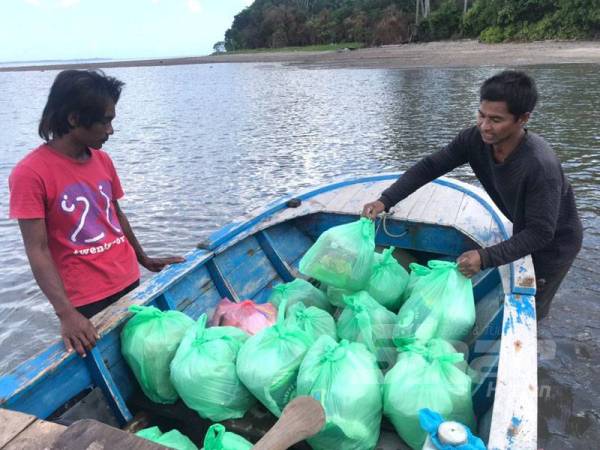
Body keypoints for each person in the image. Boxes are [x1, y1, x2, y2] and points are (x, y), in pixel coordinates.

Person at [362, 70, 582, 321]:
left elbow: (541, 233)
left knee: (533, 304)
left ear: (523, 119)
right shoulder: (475, 140)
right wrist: (386, 200)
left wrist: (485, 257)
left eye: (496, 120)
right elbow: (431, 166)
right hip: (527, 226)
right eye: (481, 115)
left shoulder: (539, 166)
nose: (485, 126)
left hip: (555, 243)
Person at [9, 70, 184, 357]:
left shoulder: (102, 160)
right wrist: (66, 314)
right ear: (74, 119)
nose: (111, 130)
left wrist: (143, 259)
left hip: (127, 279)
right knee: (100, 362)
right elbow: (37, 250)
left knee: (140, 357)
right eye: (105, 121)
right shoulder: (30, 173)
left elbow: (115, 214)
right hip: (85, 298)